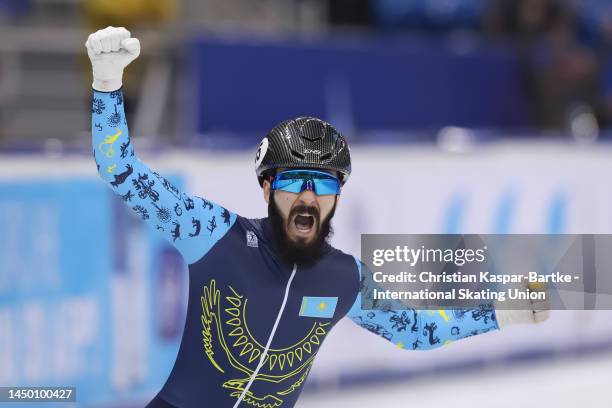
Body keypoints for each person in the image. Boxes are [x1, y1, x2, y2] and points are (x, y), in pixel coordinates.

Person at [86, 26, 549, 408]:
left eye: (324, 183)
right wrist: (107, 86)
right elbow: (121, 171)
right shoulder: (214, 234)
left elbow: (417, 332)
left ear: (337, 198)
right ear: (267, 188)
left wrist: (502, 313)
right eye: (293, 182)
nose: (308, 196)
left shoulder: (345, 277)